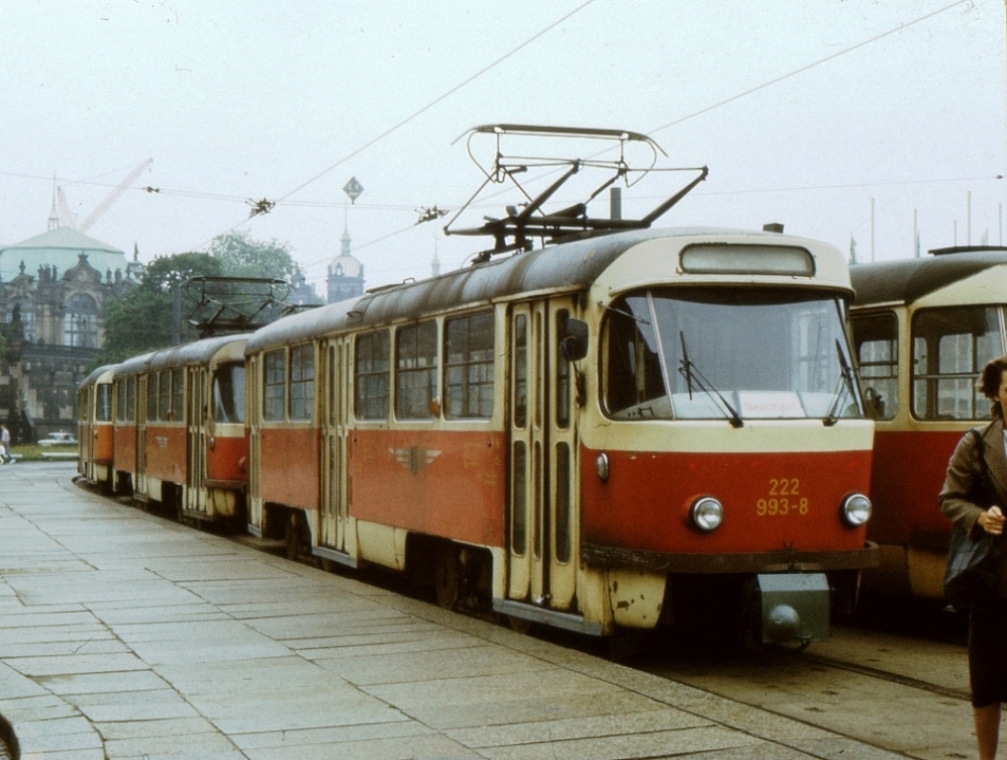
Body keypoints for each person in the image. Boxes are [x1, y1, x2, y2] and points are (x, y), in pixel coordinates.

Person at [941, 355, 1007, 760]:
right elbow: (949, 498)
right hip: (993, 581)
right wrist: (980, 517)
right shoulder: (978, 443)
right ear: (997, 395)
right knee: (986, 682)